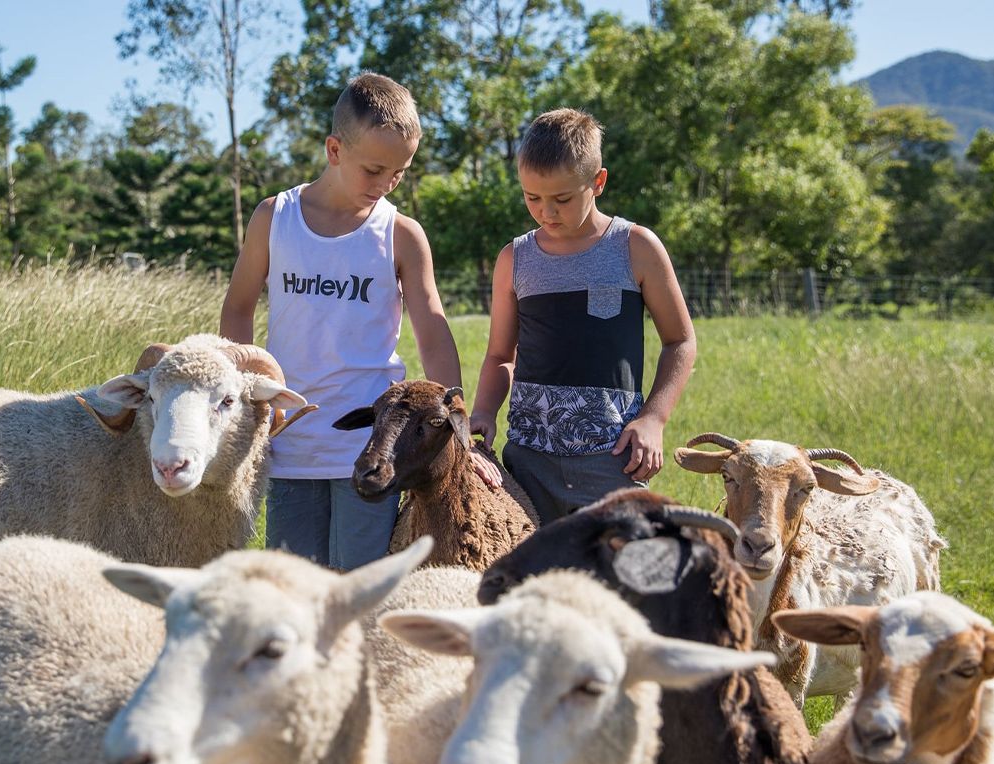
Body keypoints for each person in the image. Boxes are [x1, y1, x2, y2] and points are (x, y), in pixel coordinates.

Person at [221, 72, 494, 570]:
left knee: (361, 587)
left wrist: (456, 428)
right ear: (334, 149)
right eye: (374, 169)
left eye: (400, 172)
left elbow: (431, 327)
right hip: (291, 442)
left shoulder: (402, 234)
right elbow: (238, 307)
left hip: (375, 447)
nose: (387, 184)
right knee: (292, 589)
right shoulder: (273, 218)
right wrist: (241, 399)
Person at [469, 108, 697, 525]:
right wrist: (484, 410)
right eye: (532, 198)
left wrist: (653, 419)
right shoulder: (514, 258)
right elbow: (501, 354)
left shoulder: (635, 247)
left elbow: (680, 341)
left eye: (562, 199)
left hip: (611, 460)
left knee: (618, 575)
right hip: (528, 460)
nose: (545, 212)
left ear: (598, 182)